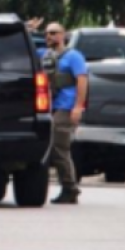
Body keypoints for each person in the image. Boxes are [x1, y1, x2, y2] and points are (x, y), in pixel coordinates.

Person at [29, 19, 88, 205]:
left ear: (63, 35)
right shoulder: (44, 55)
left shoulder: (74, 56)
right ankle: (68, 187)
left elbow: (82, 81)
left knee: (59, 147)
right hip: (49, 107)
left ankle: (70, 188)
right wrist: (28, 29)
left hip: (66, 106)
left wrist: (78, 106)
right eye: (47, 33)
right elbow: (24, 48)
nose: (49, 36)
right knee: (53, 147)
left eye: (54, 32)